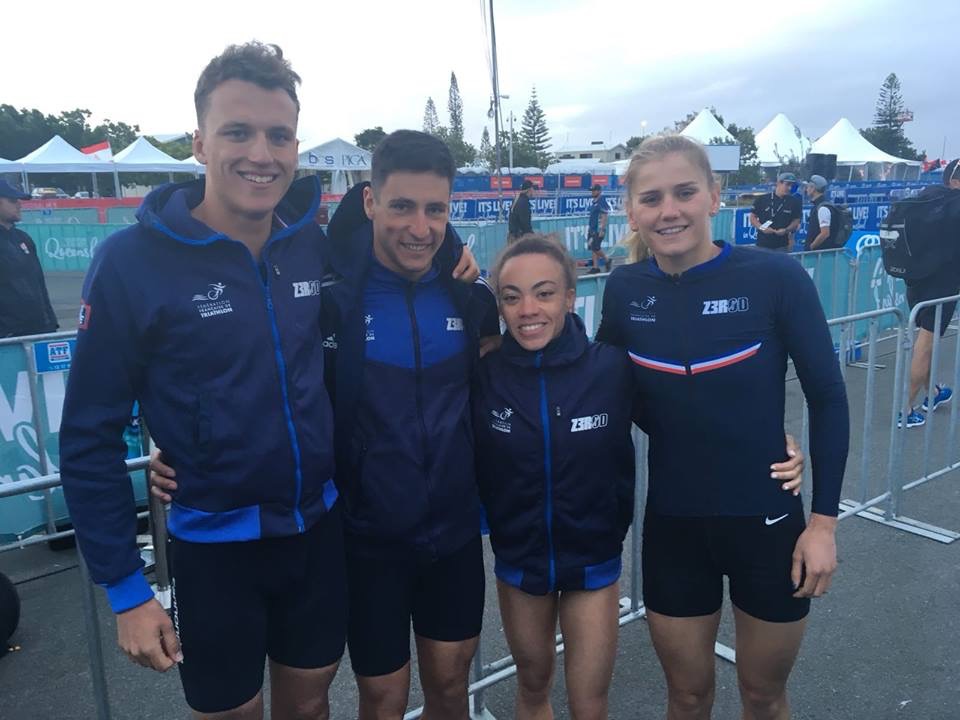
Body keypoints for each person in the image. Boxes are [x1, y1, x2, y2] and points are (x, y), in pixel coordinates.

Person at [59, 42, 351, 720]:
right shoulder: (131, 261)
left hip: (315, 532)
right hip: (214, 549)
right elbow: (88, 434)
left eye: (279, 135)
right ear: (199, 142)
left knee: (310, 709)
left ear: (296, 146)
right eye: (237, 132)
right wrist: (126, 590)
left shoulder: (311, 243)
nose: (261, 154)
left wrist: (462, 268)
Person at [474, 234, 806, 719]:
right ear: (500, 306)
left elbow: (687, 417)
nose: (528, 309)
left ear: (570, 297)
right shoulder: (484, 373)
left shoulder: (610, 367)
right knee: (532, 687)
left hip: (592, 560)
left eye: (544, 293)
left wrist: (774, 444)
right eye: (511, 296)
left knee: (589, 705)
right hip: (520, 561)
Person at [597, 135, 849, 720]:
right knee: (687, 698)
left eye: (685, 192)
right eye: (651, 198)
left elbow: (829, 397)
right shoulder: (625, 289)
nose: (669, 210)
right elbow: (608, 390)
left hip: (767, 523)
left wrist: (823, 524)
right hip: (675, 527)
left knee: (762, 696)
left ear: (714, 196)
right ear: (631, 211)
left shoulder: (775, 277)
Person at [314, 130, 499, 718]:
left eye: (435, 210)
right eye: (402, 206)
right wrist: (182, 451)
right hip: (369, 541)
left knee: (450, 687)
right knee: (383, 698)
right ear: (370, 201)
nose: (421, 228)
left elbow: (512, 386)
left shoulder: (469, 295)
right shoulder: (331, 297)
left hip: (454, 533)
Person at [900, 157, 960, 428]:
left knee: (924, 342)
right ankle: (906, 409)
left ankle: (933, 392)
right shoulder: (953, 205)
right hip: (943, 284)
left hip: (916, 281)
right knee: (925, 345)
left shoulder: (925, 198)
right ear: (955, 181)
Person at [0, 180, 59, 337]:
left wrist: (50, 323)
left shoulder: (23, 238)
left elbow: (39, 284)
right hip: (7, 336)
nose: (19, 204)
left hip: (38, 330)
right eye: (12, 200)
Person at [750, 172, 802, 251]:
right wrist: (761, 228)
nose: (789, 188)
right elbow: (752, 217)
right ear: (778, 183)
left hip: (782, 245)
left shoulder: (794, 202)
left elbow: (796, 220)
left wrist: (786, 230)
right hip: (762, 244)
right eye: (787, 185)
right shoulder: (762, 199)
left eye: (791, 185)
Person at [804, 174, 836, 250]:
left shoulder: (822, 208)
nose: (806, 189)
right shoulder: (820, 206)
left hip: (819, 254)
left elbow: (825, 233)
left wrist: (811, 247)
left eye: (808, 186)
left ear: (813, 188)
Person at [586, 183, 612, 273]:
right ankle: (595, 267)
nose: (592, 192)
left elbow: (604, 215)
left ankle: (607, 259)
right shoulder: (594, 202)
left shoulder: (601, 201)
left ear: (599, 191)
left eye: (594, 191)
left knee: (596, 247)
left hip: (598, 229)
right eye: (592, 191)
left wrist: (602, 229)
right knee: (593, 248)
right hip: (592, 228)